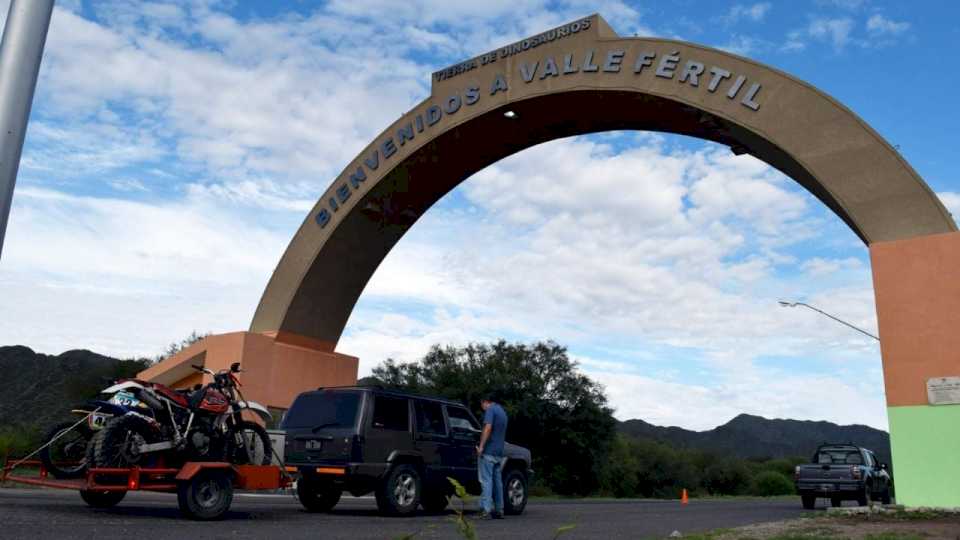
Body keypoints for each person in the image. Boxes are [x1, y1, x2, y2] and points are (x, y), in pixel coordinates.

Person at [476, 394, 508, 519]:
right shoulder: (502, 412)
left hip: (489, 451)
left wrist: (482, 446)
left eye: (482, 405)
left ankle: (486, 510)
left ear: (485, 402)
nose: (482, 408)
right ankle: (499, 510)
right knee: (497, 482)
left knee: (486, 481)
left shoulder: (490, 410)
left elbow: (488, 428)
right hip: (499, 452)